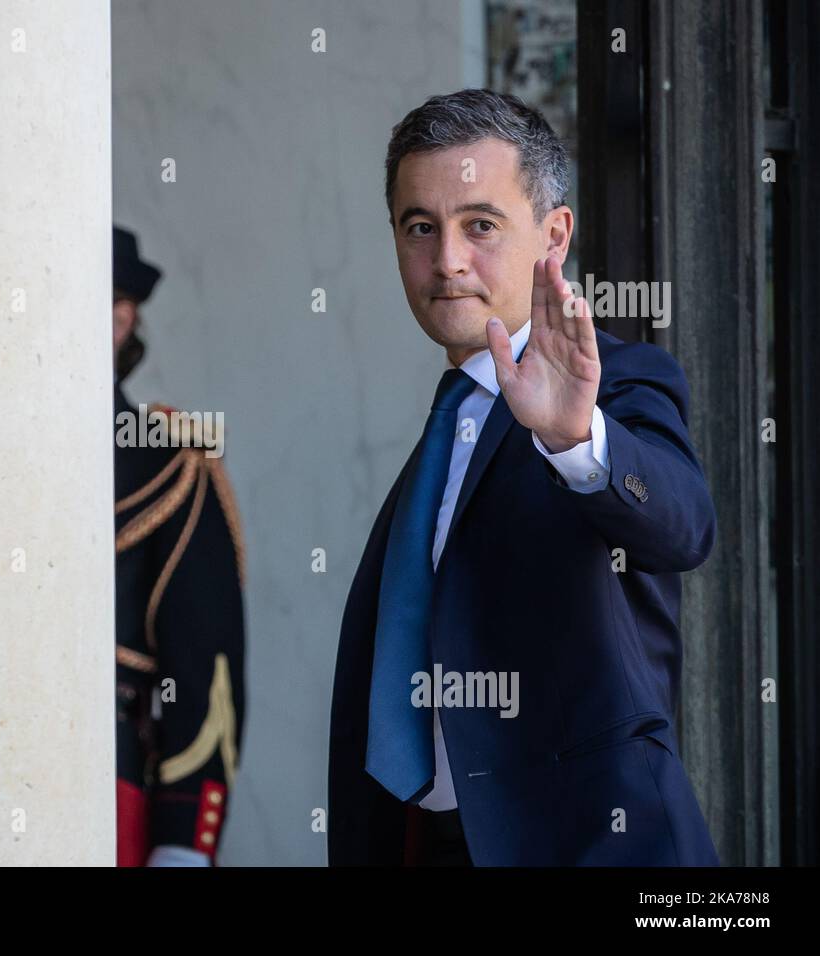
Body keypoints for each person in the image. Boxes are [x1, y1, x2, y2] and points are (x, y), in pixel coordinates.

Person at [328, 90, 720, 866]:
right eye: (420, 228)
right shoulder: (444, 432)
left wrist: (578, 438)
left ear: (554, 233)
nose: (446, 260)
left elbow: (684, 524)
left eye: (480, 224)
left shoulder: (617, 384)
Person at [112, 225, 247, 866]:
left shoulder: (170, 463)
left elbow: (201, 666)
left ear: (121, 319)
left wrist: (181, 844)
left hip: (109, 791)